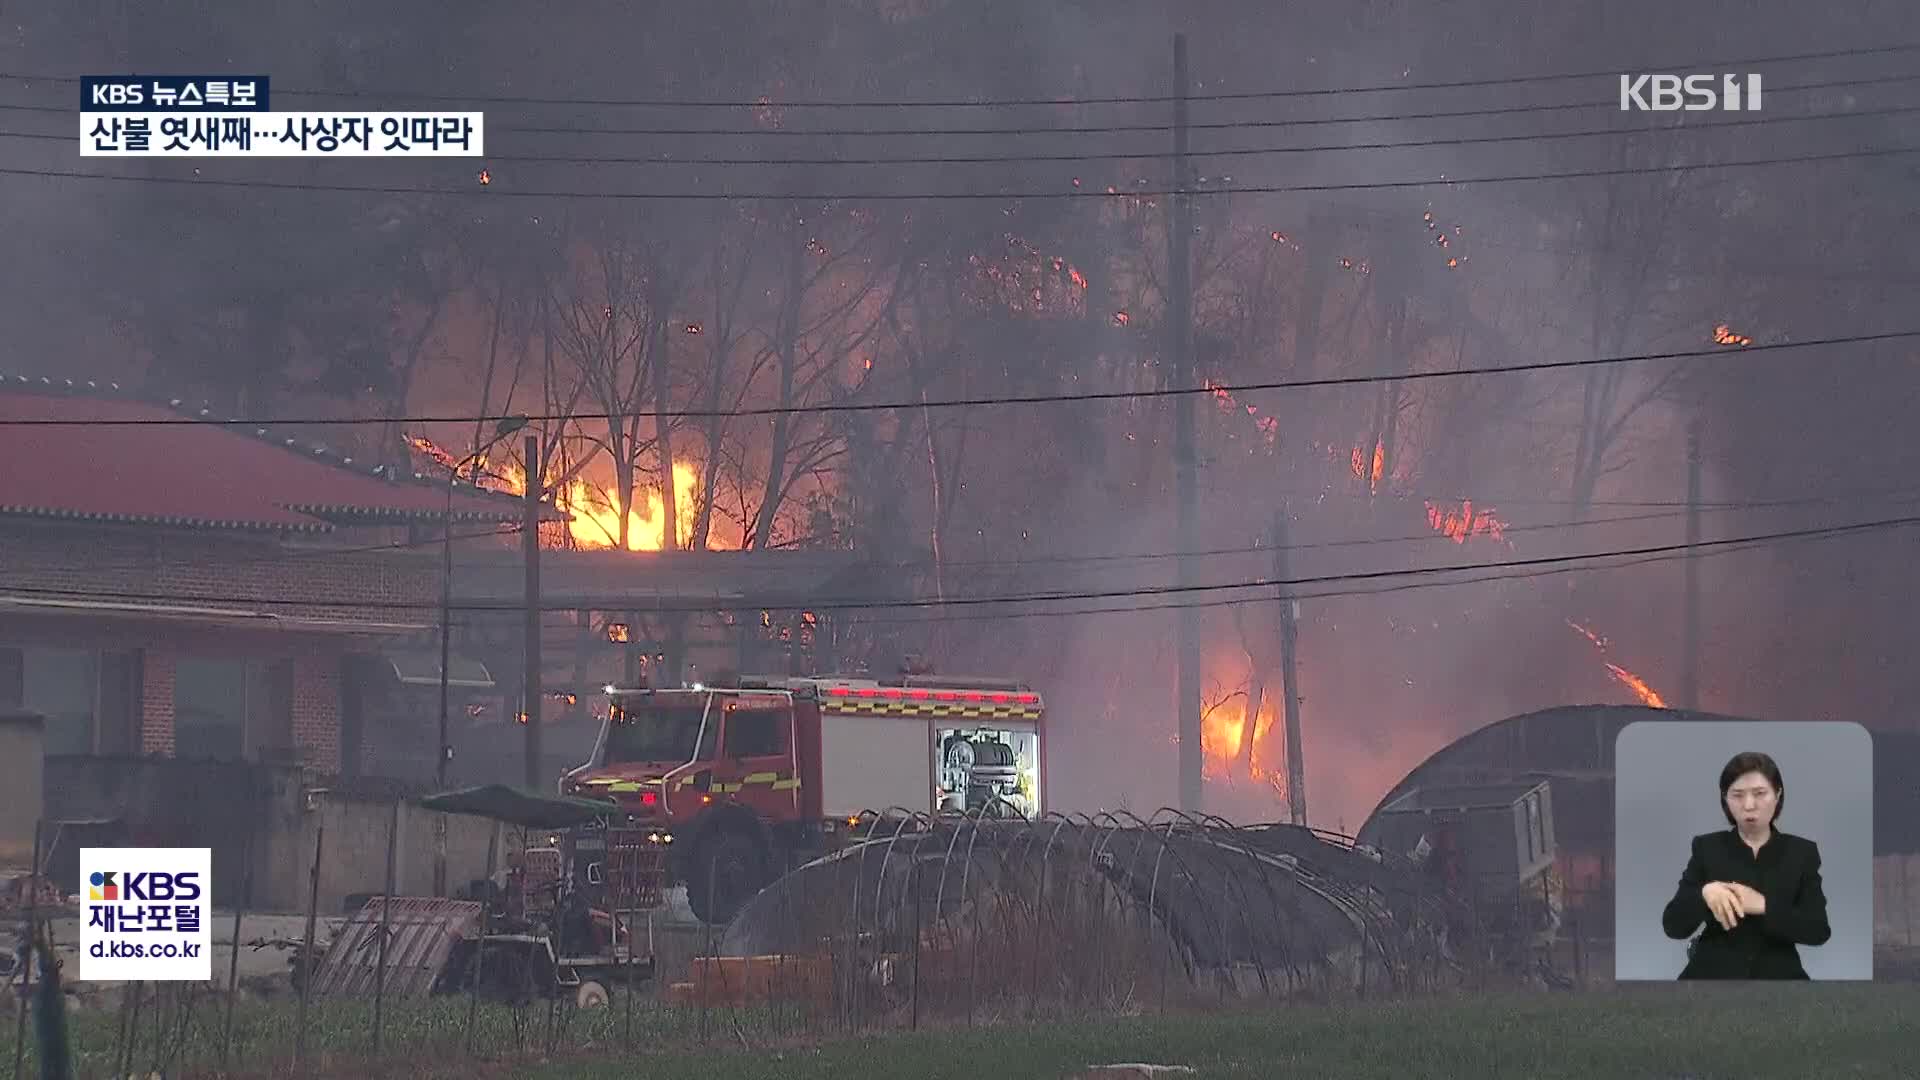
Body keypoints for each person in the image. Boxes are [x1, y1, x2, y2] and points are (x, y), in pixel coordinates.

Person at [1660, 750, 1831, 979]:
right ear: (1725, 798)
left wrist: (1764, 905)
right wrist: (1704, 893)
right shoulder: (1707, 848)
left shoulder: (1801, 853)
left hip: (1779, 981)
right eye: (1737, 795)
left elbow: (1818, 930)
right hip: (1711, 978)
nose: (1749, 805)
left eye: (1760, 793)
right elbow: (1673, 926)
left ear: (1778, 794)